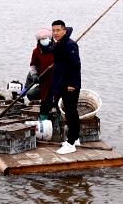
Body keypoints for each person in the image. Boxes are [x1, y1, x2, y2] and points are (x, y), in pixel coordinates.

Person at [49, 19, 81, 155]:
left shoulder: (70, 45)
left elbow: (76, 65)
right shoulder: (59, 43)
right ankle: (76, 137)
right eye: (53, 30)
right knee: (68, 111)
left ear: (64, 30)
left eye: (58, 30)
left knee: (71, 112)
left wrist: (72, 84)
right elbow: (53, 51)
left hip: (70, 85)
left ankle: (71, 143)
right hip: (61, 83)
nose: (55, 33)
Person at [25, 28, 54, 105]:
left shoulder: (56, 49)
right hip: (43, 83)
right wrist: (34, 76)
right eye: (42, 39)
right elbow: (33, 65)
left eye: (45, 38)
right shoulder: (36, 51)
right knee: (31, 94)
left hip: (56, 82)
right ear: (39, 41)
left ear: (50, 39)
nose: (44, 40)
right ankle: (40, 104)